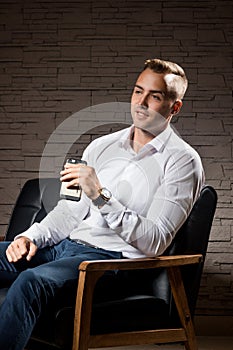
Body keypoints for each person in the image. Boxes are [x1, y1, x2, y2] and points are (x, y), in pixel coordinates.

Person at [0, 58, 204, 350]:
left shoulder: (183, 162)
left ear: (175, 107)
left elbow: (155, 242)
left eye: (155, 96)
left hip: (111, 264)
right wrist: (29, 237)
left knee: (31, 281)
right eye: (137, 91)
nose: (141, 103)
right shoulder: (101, 146)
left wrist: (100, 195)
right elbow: (69, 212)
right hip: (64, 250)